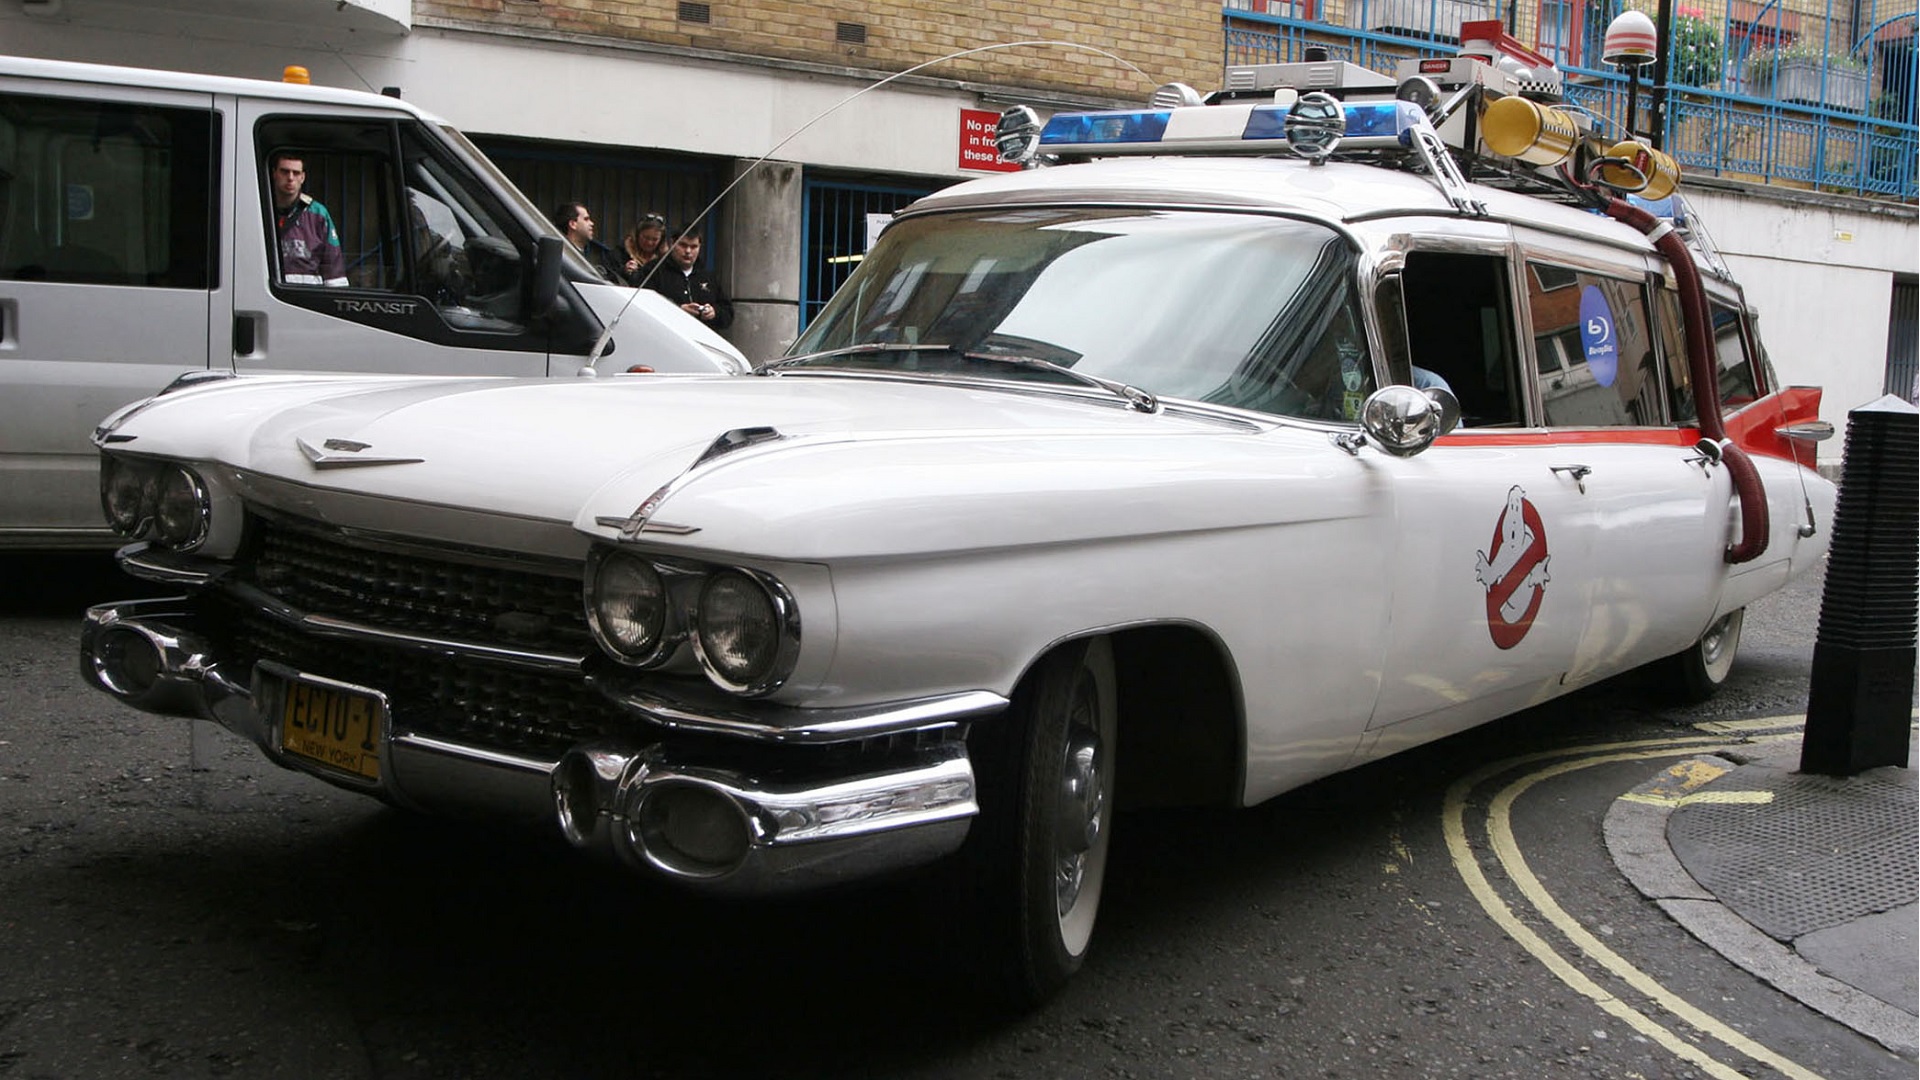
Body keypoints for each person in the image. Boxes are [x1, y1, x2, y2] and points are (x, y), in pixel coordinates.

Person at [269, 151, 347, 287]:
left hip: (308, 296)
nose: (290, 178)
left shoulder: (318, 214)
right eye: (285, 172)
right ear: (274, 173)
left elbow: (333, 268)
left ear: (303, 177)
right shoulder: (259, 208)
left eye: (296, 173)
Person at [647, 230, 733, 330]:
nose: (688, 251)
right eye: (683, 245)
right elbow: (645, 306)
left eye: (693, 247)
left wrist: (714, 312)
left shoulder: (707, 276)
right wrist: (678, 309)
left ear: (699, 247)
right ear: (673, 243)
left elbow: (727, 312)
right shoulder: (654, 271)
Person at [551, 201, 624, 283]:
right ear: (573, 224)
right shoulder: (563, 258)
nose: (592, 223)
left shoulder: (572, 255)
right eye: (586, 219)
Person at [622, 213, 668, 286]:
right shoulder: (620, 254)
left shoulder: (666, 261)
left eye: (655, 239)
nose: (649, 243)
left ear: (661, 240)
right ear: (637, 235)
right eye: (646, 237)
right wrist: (624, 271)